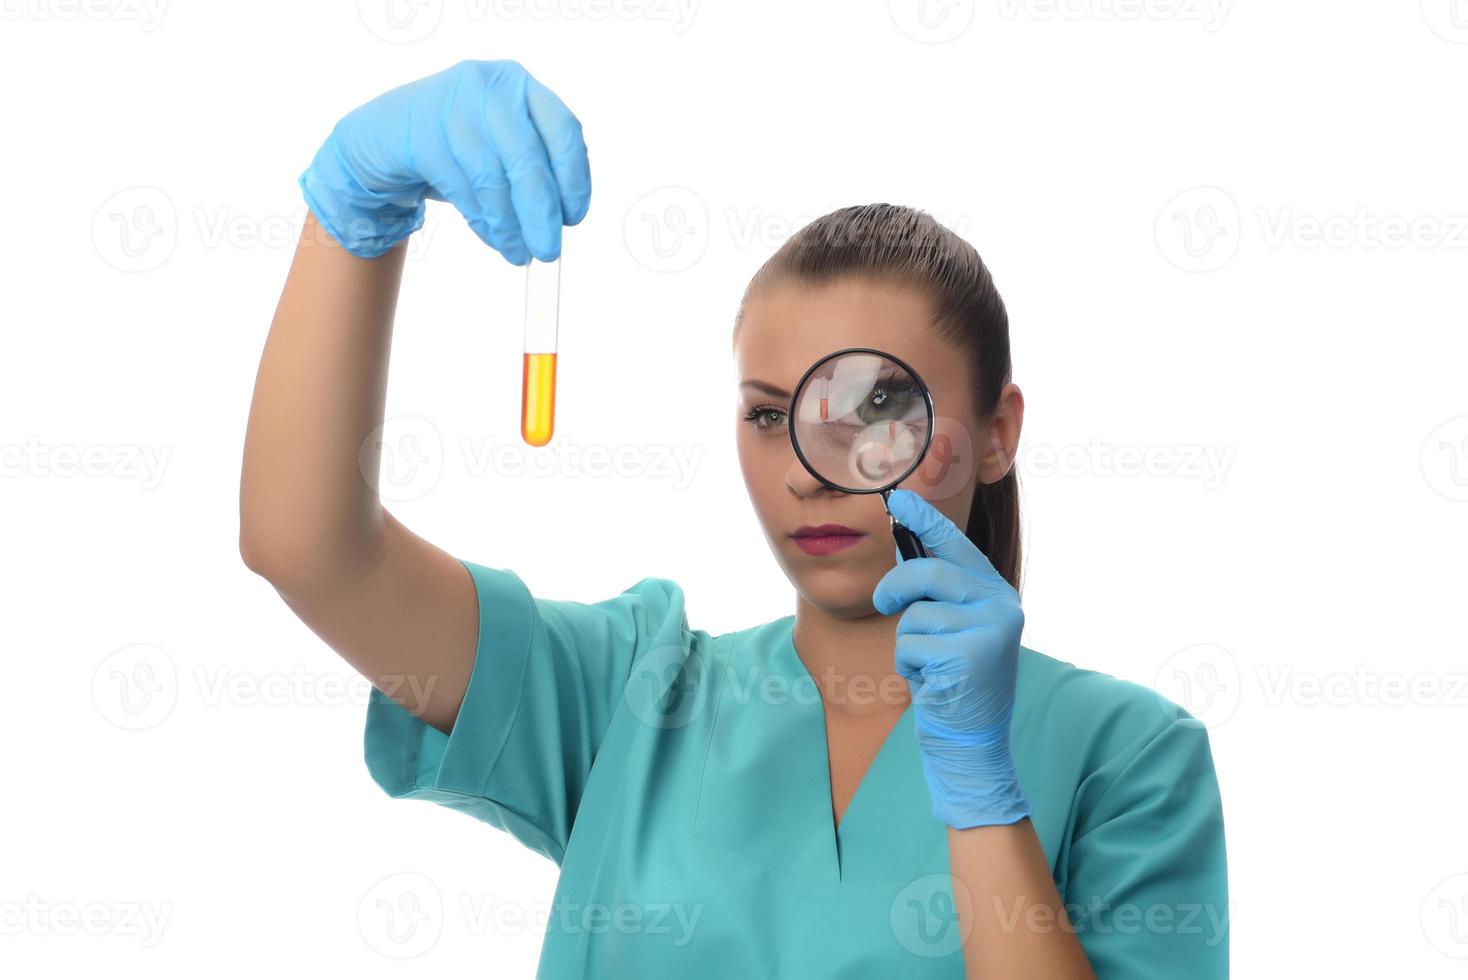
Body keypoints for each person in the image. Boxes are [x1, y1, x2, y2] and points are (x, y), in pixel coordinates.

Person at [239, 59, 1228, 978]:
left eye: (879, 407)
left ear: (998, 430)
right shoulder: (630, 692)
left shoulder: (1128, 756)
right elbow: (311, 551)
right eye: (769, 413)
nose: (812, 471)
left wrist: (981, 794)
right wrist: (352, 214)